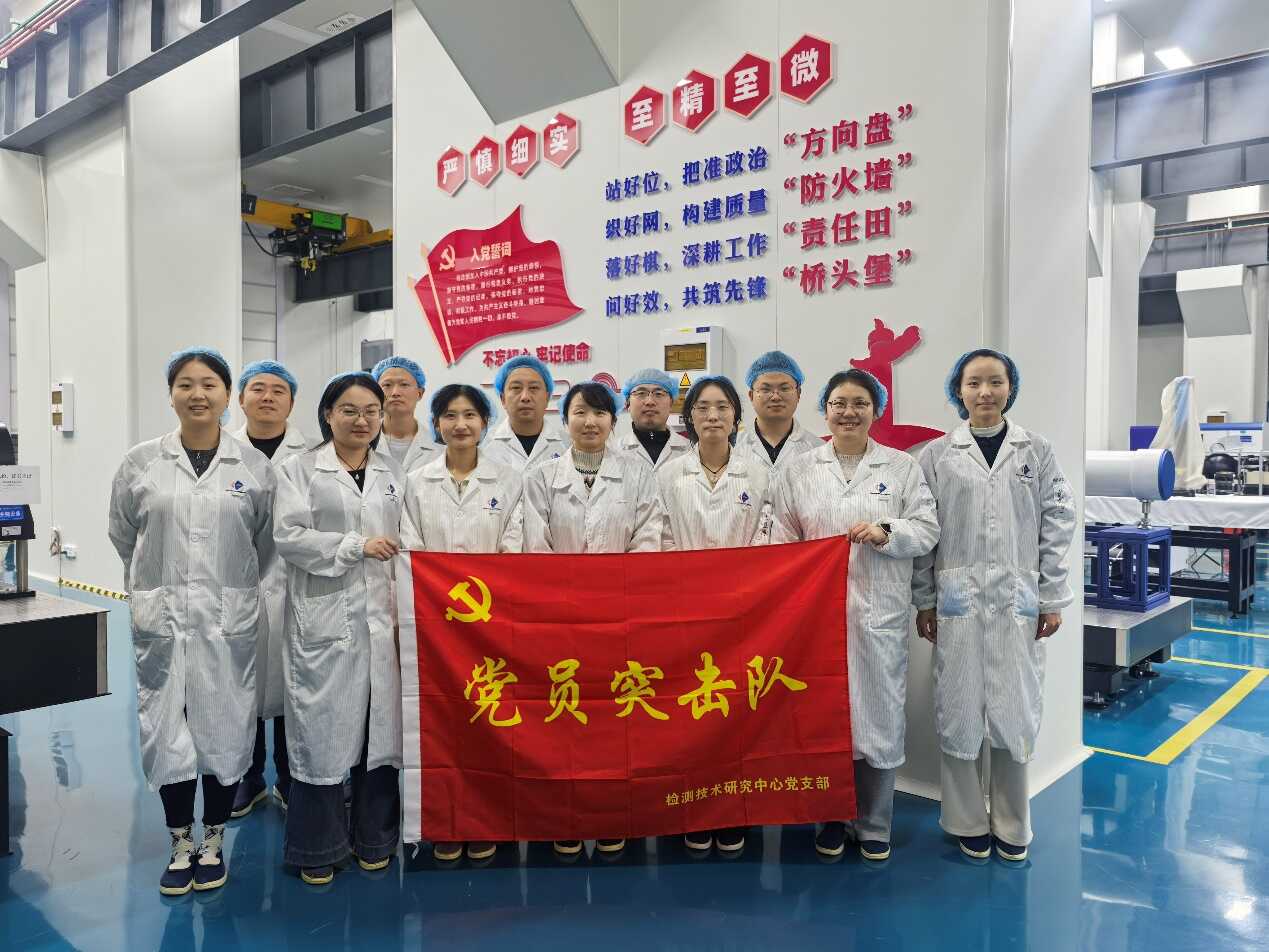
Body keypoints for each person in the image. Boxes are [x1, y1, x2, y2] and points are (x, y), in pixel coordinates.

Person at [108, 348, 276, 896]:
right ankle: (181, 843)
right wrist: (154, 584)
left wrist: (229, 587)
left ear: (228, 396)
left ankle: (214, 840)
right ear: (172, 394)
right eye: (185, 384)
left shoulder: (253, 467)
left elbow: (264, 544)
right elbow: (123, 533)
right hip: (163, 620)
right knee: (166, 731)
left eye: (209, 384)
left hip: (228, 619)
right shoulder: (140, 462)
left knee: (225, 728)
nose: (197, 394)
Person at [912, 349, 1075, 863]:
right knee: (959, 709)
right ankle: (965, 819)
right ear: (957, 390)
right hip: (956, 602)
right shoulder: (937, 456)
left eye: (995, 382)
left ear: (1010, 387)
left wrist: (1051, 596)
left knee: (1014, 711)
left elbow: (1058, 525)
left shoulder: (1037, 451)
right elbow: (925, 534)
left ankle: (1012, 821)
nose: (985, 392)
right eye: (974, 383)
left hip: (1017, 602)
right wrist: (925, 600)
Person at [772, 368, 939, 862]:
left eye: (859, 404)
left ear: (876, 410)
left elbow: (926, 527)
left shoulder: (902, 467)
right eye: (839, 403)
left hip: (877, 614)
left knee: (879, 719)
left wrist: (888, 532)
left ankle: (874, 822)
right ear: (824, 411)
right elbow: (782, 537)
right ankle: (831, 818)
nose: (848, 413)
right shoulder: (800, 469)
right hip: (816, 619)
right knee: (824, 717)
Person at [273, 372, 406, 885]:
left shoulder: (393, 473)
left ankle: (375, 838)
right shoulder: (299, 470)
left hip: (384, 619)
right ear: (328, 415)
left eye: (371, 411)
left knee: (380, 730)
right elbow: (289, 537)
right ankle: (317, 846)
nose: (361, 420)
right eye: (349, 410)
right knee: (323, 734)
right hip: (325, 618)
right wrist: (354, 546)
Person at [523, 381, 664, 856]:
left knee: (614, 720)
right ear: (564, 420)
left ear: (612, 421)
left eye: (600, 413)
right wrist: (565, 597)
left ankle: (611, 815)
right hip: (558, 620)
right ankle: (563, 815)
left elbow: (649, 535)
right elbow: (534, 546)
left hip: (620, 616)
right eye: (580, 412)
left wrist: (614, 591)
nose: (590, 422)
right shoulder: (542, 477)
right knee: (562, 719)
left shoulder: (637, 474)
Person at [401, 383, 524, 863]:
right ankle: (447, 822)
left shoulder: (508, 480)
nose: (460, 424)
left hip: (492, 627)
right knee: (443, 724)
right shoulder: (416, 482)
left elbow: (516, 548)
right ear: (436, 424)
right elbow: (410, 548)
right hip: (436, 628)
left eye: (470, 415)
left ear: (485, 423)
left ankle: (487, 820)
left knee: (491, 726)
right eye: (450, 415)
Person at [656, 375, 773, 854]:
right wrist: (688, 586)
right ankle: (691, 809)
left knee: (737, 713)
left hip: (744, 612)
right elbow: (660, 536)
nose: (712, 415)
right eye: (702, 407)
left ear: (736, 417)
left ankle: (734, 810)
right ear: (689, 419)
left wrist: (739, 588)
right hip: (683, 610)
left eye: (722, 407)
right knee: (689, 714)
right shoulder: (668, 476)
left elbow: (769, 535)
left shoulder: (759, 474)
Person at [230, 360, 310, 820]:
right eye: (257, 388)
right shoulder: (223, 450)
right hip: (237, 583)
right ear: (241, 399)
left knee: (293, 680)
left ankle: (289, 772)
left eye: (278, 390)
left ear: (291, 402)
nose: (267, 397)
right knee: (241, 680)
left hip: (296, 581)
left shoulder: (311, 453)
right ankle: (249, 774)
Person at [734, 351, 823, 471]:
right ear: (751, 395)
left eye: (784, 388)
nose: (775, 397)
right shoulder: (732, 447)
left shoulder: (819, 450)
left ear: (798, 394)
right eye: (765, 389)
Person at [483, 355, 567, 470]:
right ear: (503, 399)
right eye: (516, 388)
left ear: (547, 398)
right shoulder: (483, 446)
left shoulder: (567, 444)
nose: (525, 397)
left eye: (534, 388)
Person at [372, 355, 442, 474]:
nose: (395, 393)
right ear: (375, 393)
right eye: (387, 385)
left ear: (420, 393)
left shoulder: (439, 449)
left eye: (404, 384)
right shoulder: (363, 443)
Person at [613, 368, 691, 472]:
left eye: (658, 394)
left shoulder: (691, 452)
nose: (650, 401)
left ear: (671, 403)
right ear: (628, 404)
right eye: (641, 393)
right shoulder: (612, 453)